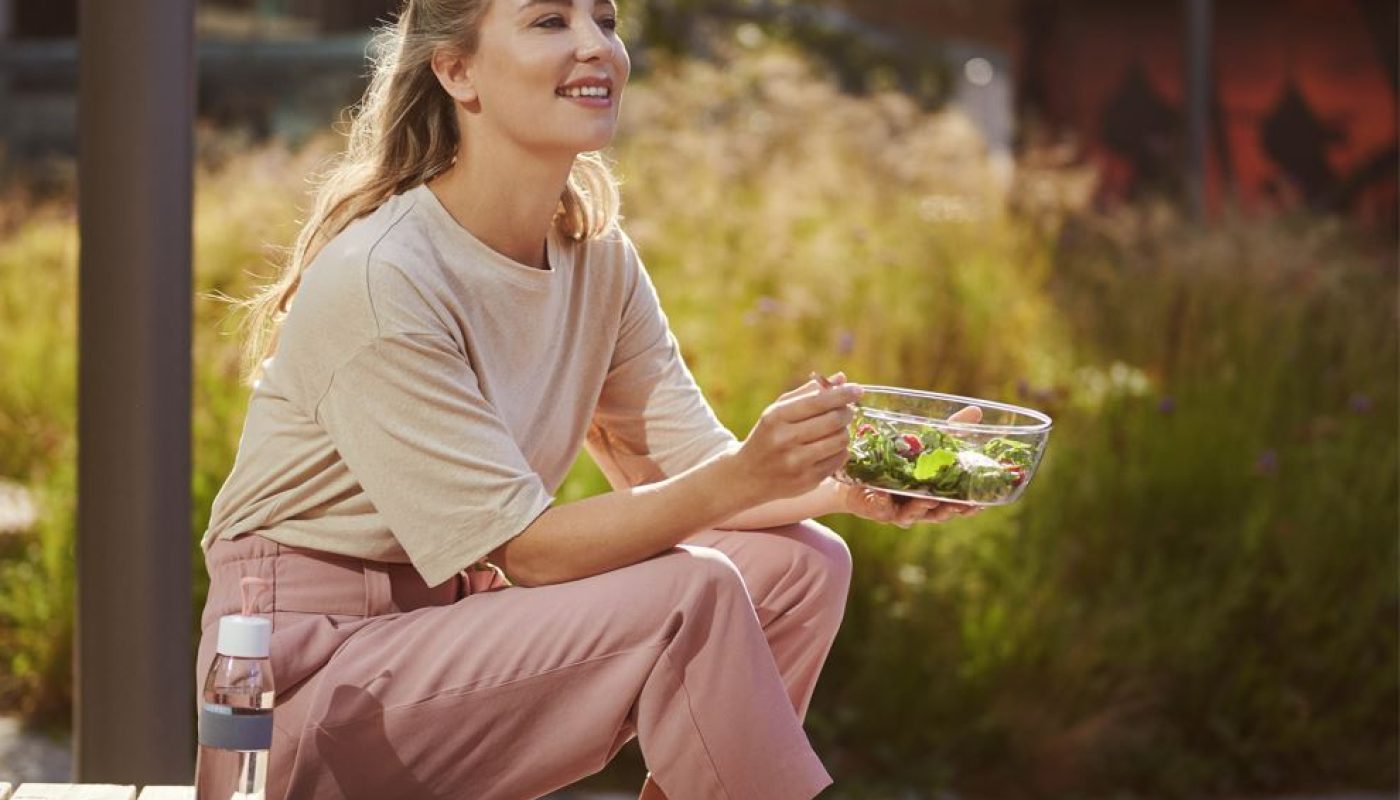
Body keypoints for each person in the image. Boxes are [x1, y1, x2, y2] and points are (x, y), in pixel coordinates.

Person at [195, 1, 977, 798]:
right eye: (548, 22)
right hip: (301, 682)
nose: (595, 47)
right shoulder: (383, 277)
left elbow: (689, 469)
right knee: (692, 589)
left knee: (801, 564)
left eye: (604, 19)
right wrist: (747, 474)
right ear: (456, 71)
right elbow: (528, 552)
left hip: (450, 630)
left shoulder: (596, 259)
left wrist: (849, 487)